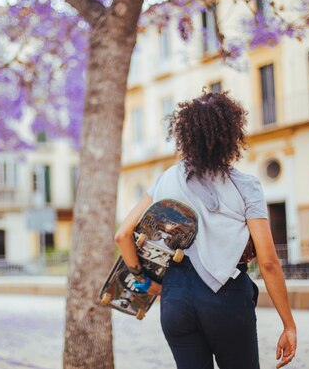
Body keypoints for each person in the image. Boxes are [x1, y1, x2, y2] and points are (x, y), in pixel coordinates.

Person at [115, 91, 297, 369]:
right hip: (226, 297)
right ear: (230, 134)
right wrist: (289, 325)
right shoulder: (245, 186)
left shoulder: (166, 179)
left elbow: (123, 235)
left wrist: (143, 281)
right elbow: (269, 262)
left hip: (175, 298)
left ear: (185, 134)